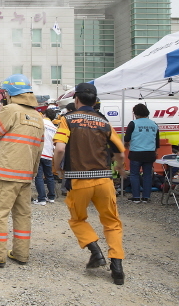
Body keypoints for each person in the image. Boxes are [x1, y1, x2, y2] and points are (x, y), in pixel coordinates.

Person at [53, 82, 127, 285]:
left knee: (77, 219)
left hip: (79, 180)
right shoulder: (104, 122)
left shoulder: (67, 119)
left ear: (76, 99)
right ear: (95, 101)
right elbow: (120, 152)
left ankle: (95, 251)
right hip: (104, 181)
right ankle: (117, 268)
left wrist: (56, 169)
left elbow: (60, 149)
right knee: (112, 223)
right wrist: (119, 168)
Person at [0, 74, 44, 267]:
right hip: (25, 175)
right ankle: (20, 254)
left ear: (9, 93)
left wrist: (0, 111)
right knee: (22, 215)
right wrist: (32, 173)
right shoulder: (38, 116)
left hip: (6, 173)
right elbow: (39, 149)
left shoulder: (11, 110)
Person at [124, 103, 160, 203]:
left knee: (135, 174)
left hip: (136, 153)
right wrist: (155, 152)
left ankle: (136, 197)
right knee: (147, 175)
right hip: (150, 153)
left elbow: (127, 138)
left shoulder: (133, 123)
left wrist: (126, 144)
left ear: (135, 113)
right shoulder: (154, 124)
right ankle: (146, 197)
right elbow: (157, 142)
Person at [33, 108, 58, 206]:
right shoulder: (54, 127)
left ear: (44, 115)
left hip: (39, 152)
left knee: (39, 176)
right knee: (50, 176)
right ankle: (51, 197)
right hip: (49, 154)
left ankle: (41, 199)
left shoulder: (40, 122)